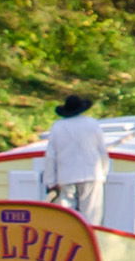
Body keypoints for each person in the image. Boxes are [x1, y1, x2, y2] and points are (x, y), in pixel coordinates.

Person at [42, 94, 109, 223]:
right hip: (91, 173)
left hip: (66, 176)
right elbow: (102, 152)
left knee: (66, 216)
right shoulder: (92, 124)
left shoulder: (58, 127)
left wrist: (50, 182)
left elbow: (51, 156)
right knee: (91, 216)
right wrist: (103, 173)